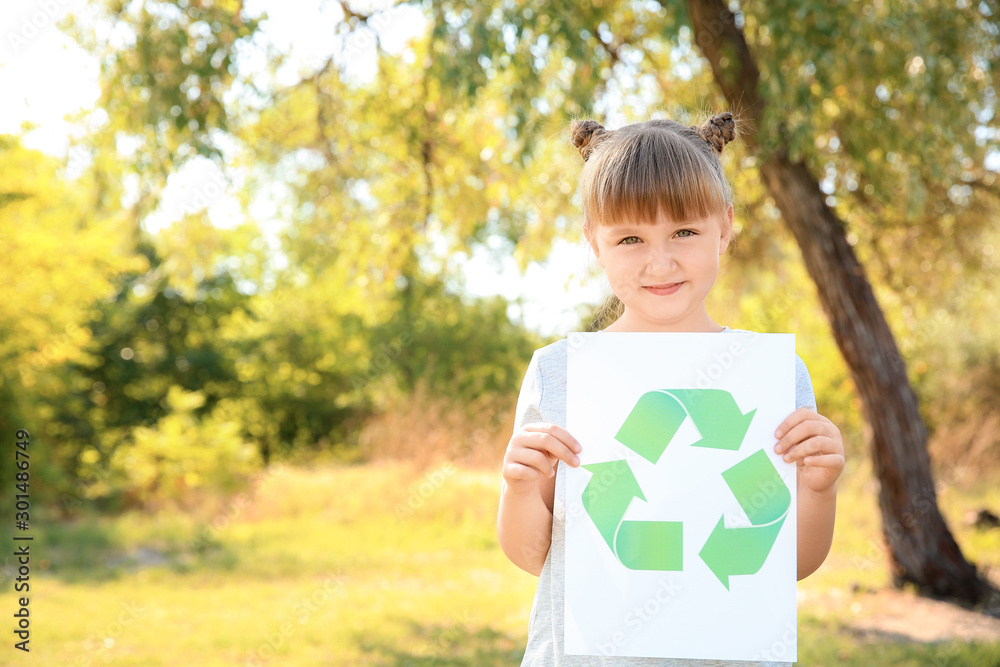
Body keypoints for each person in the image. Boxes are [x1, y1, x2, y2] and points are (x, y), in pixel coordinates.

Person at [496, 112, 846, 666]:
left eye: (684, 231)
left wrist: (819, 488)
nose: (660, 261)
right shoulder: (561, 375)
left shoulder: (772, 379)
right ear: (594, 242)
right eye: (630, 238)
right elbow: (533, 555)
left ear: (725, 227)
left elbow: (791, 562)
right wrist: (519, 487)